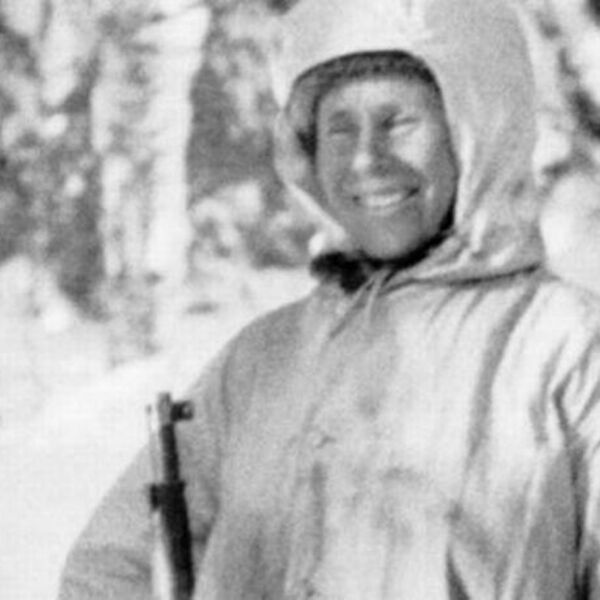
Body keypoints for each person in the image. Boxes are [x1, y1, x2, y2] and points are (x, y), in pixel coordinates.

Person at [59, 0, 600, 598]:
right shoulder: (263, 361)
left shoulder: (570, 349)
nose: (366, 160)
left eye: (398, 122)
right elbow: (109, 572)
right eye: (340, 128)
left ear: (477, 132)